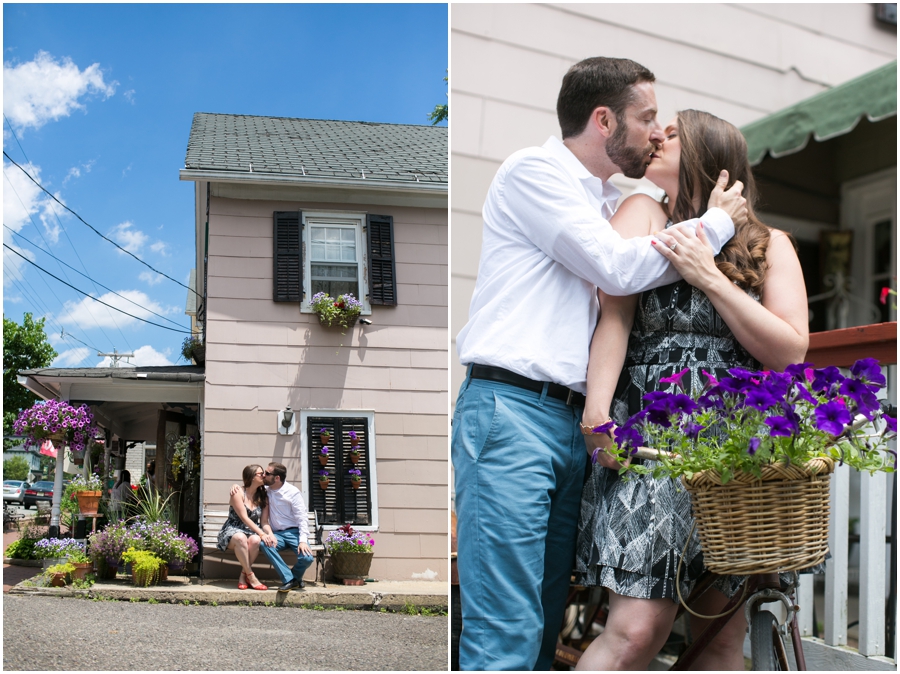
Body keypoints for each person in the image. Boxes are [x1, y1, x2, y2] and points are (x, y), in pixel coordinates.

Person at [452, 56, 748, 671]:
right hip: (511, 413)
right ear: (604, 120)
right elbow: (616, 269)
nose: (655, 132)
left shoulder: (605, 199)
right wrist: (718, 223)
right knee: (506, 628)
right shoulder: (533, 172)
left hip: (565, 427)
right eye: (646, 119)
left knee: (540, 623)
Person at [574, 109, 808, 670]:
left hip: (732, 456)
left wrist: (709, 277)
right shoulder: (642, 212)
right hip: (651, 449)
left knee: (719, 639)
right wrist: (597, 413)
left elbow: (790, 351)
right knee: (633, 631)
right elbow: (614, 317)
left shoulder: (770, 244)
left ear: (710, 152)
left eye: (672, 133)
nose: (655, 137)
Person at [231, 461, 314, 592]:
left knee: (307, 558)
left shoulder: (293, 493)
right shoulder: (266, 491)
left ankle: (293, 578)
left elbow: (302, 519)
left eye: (267, 473)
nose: (264, 474)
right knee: (264, 544)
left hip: (294, 533)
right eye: (263, 472)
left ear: (277, 478)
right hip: (277, 534)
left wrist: (303, 541)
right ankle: (290, 580)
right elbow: (246, 488)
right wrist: (235, 485)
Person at [218, 464, 269, 591]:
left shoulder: (263, 495)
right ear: (252, 477)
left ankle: (243, 575)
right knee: (241, 538)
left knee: (255, 540)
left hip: (251, 531)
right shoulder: (238, 492)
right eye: (260, 473)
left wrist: (265, 534)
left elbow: (263, 521)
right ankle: (251, 576)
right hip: (233, 530)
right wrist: (262, 534)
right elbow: (244, 518)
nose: (263, 476)